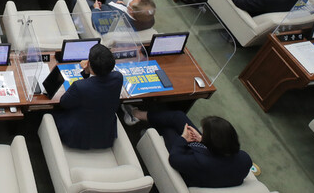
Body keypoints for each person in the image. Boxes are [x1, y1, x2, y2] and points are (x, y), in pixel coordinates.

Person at [122, 109, 253, 189]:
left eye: (205, 134)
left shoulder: (201, 161)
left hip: (190, 164)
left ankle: (139, 119)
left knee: (169, 129)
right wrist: (202, 140)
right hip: (209, 154)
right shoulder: (245, 158)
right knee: (178, 117)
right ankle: (139, 115)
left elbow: (174, 160)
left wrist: (184, 139)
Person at [52, 44, 123, 150]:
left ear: (89, 63)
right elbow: (96, 84)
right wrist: (87, 72)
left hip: (78, 138)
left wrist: (88, 70)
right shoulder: (118, 77)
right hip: (104, 136)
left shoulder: (80, 86)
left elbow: (64, 103)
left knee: (48, 112)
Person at [72, 0, 157, 32]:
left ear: (131, 10)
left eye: (133, 0)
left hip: (103, 11)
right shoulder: (148, 19)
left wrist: (97, 8)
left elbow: (97, 23)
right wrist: (124, 5)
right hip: (118, 7)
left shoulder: (116, 20)